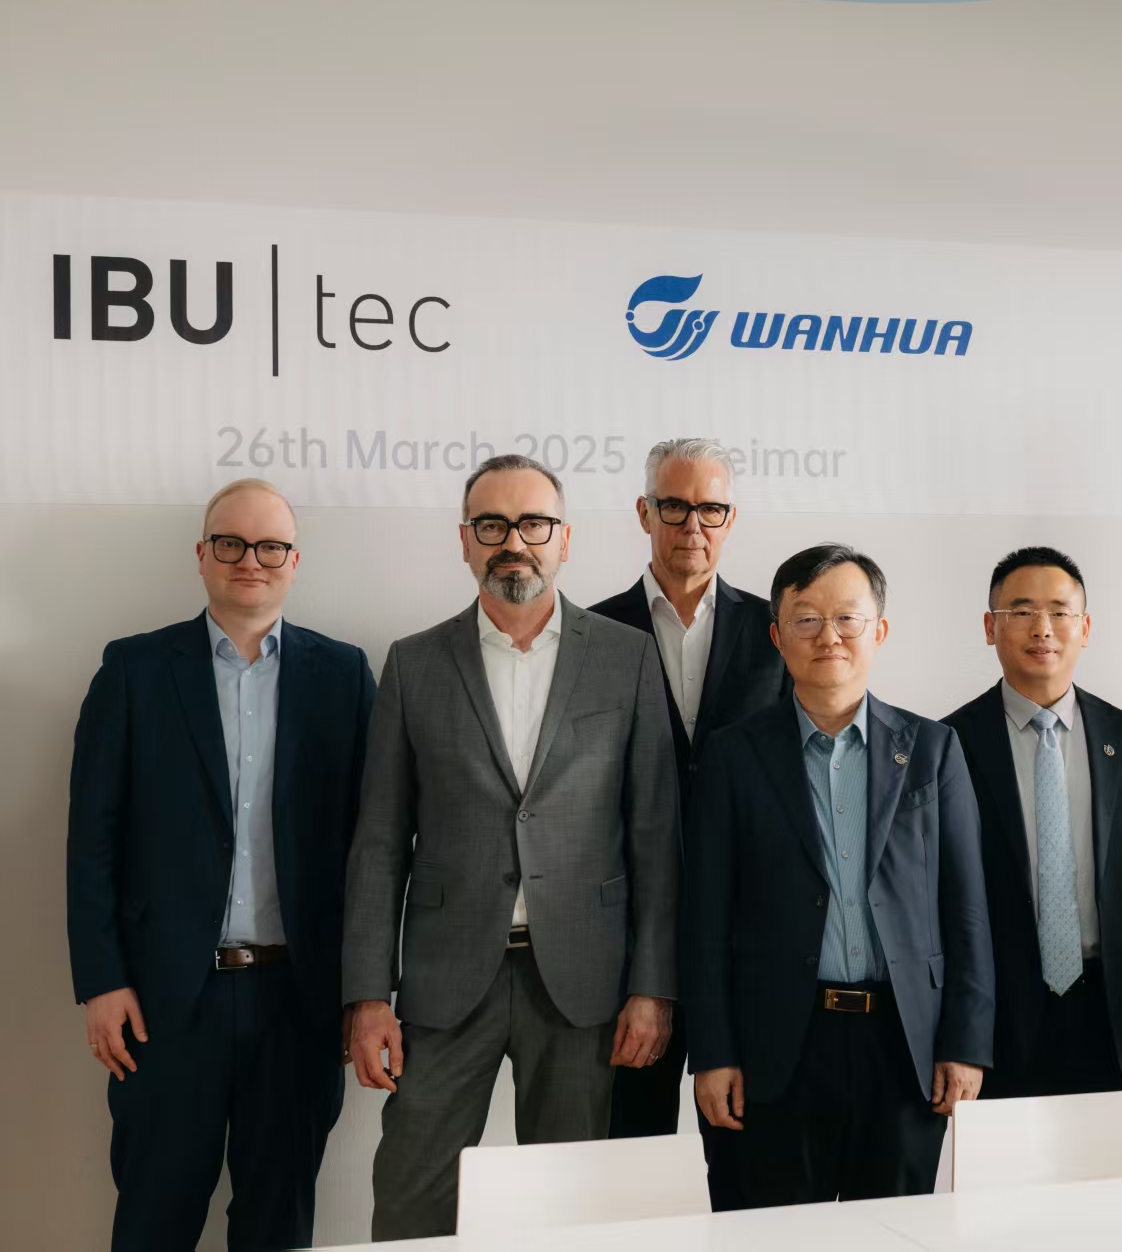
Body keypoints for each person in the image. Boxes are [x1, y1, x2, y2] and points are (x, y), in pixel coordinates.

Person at [342, 454, 679, 1240]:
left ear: (564, 538)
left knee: (565, 1214)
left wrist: (652, 985)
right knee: (412, 1197)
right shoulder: (414, 663)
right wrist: (367, 994)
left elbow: (656, 837)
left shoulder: (626, 657)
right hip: (444, 977)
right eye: (492, 525)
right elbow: (380, 842)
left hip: (582, 983)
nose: (513, 542)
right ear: (465, 540)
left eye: (533, 523)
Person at [67, 478, 375, 1252]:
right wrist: (101, 980)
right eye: (231, 543)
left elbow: (372, 846)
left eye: (270, 545)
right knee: (154, 1221)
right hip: (165, 1005)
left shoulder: (344, 676)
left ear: (295, 561)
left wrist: (365, 989)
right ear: (202, 554)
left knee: (277, 1226)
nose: (251, 560)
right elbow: (91, 840)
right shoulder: (134, 671)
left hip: (298, 1003)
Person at [686, 544, 994, 1206]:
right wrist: (712, 1052)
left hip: (903, 1046)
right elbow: (705, 916)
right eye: (806, 619)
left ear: (878, 631)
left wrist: (966, 1042)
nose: (829, 636)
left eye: (848, 618)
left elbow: (966, 908)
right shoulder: (734, 756)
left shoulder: (933, 750)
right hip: (775, 1048)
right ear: (777, 636)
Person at [589, 437, 789, 1189]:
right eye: (674, 507)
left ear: (731, 518)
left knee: (748, 1174)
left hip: (744, 945)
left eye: (711, 509)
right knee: (622, 1170)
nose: (692, 525)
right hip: (624, 947)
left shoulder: (779, 631)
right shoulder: (590, 633)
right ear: (645, 513)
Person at [943, 547, 1122, 1098]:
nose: (1042, 628)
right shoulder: (948, 743)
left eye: (1059, 611)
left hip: (1108, 1007)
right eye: (1022, 611)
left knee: (1109, 1154)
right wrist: (953, 1031)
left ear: (1085, 628)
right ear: (990, 627)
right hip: (994, 1015)